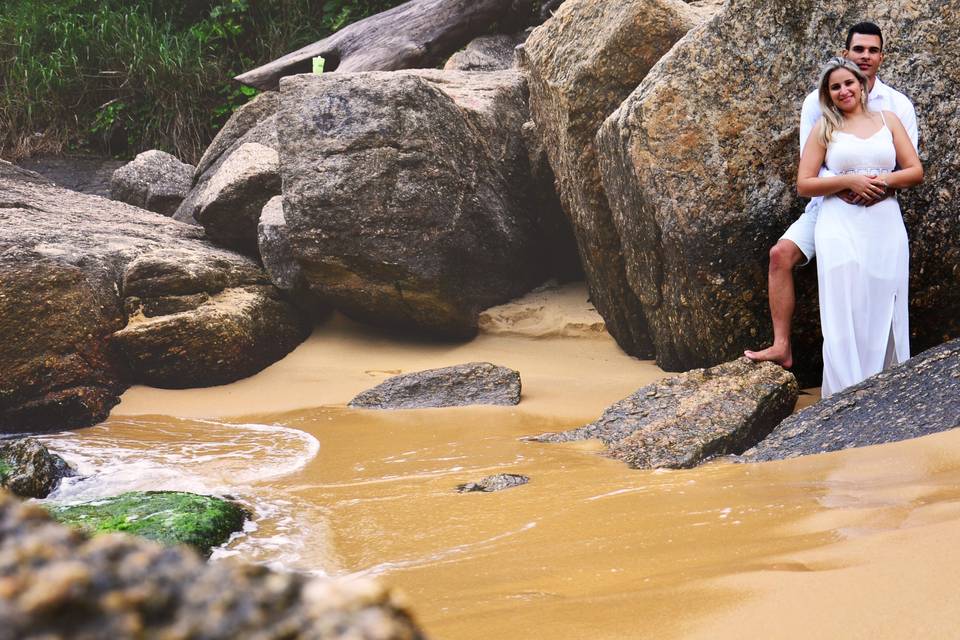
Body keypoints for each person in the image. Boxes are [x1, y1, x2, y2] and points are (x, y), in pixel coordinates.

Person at [745, 22, 918, 369]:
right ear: (847, 53)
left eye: (872, 50)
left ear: (881, 57)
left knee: (878, 291)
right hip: (827, 205)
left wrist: (877, 185)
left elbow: (908, 163)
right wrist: (848, 183)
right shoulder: (818, 104)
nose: (865, 56)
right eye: (858, 50)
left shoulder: (897, 106)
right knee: (781, 254)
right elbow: (811, 166)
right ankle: (782, 346)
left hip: (880, 202)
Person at [795, 57, 922, 396]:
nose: (843, 90)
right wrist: (846, 180)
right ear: (828, 94)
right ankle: (845, 393)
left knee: (884, 300)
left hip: (885, 222)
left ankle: (885, 389)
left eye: (848, 83)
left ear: (862, 85)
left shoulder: (889, 119)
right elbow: (804, 183)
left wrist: (880, 181)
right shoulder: (825, 127)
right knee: (844, 305)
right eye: (835, 87)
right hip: (839, 224)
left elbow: (914, 171)